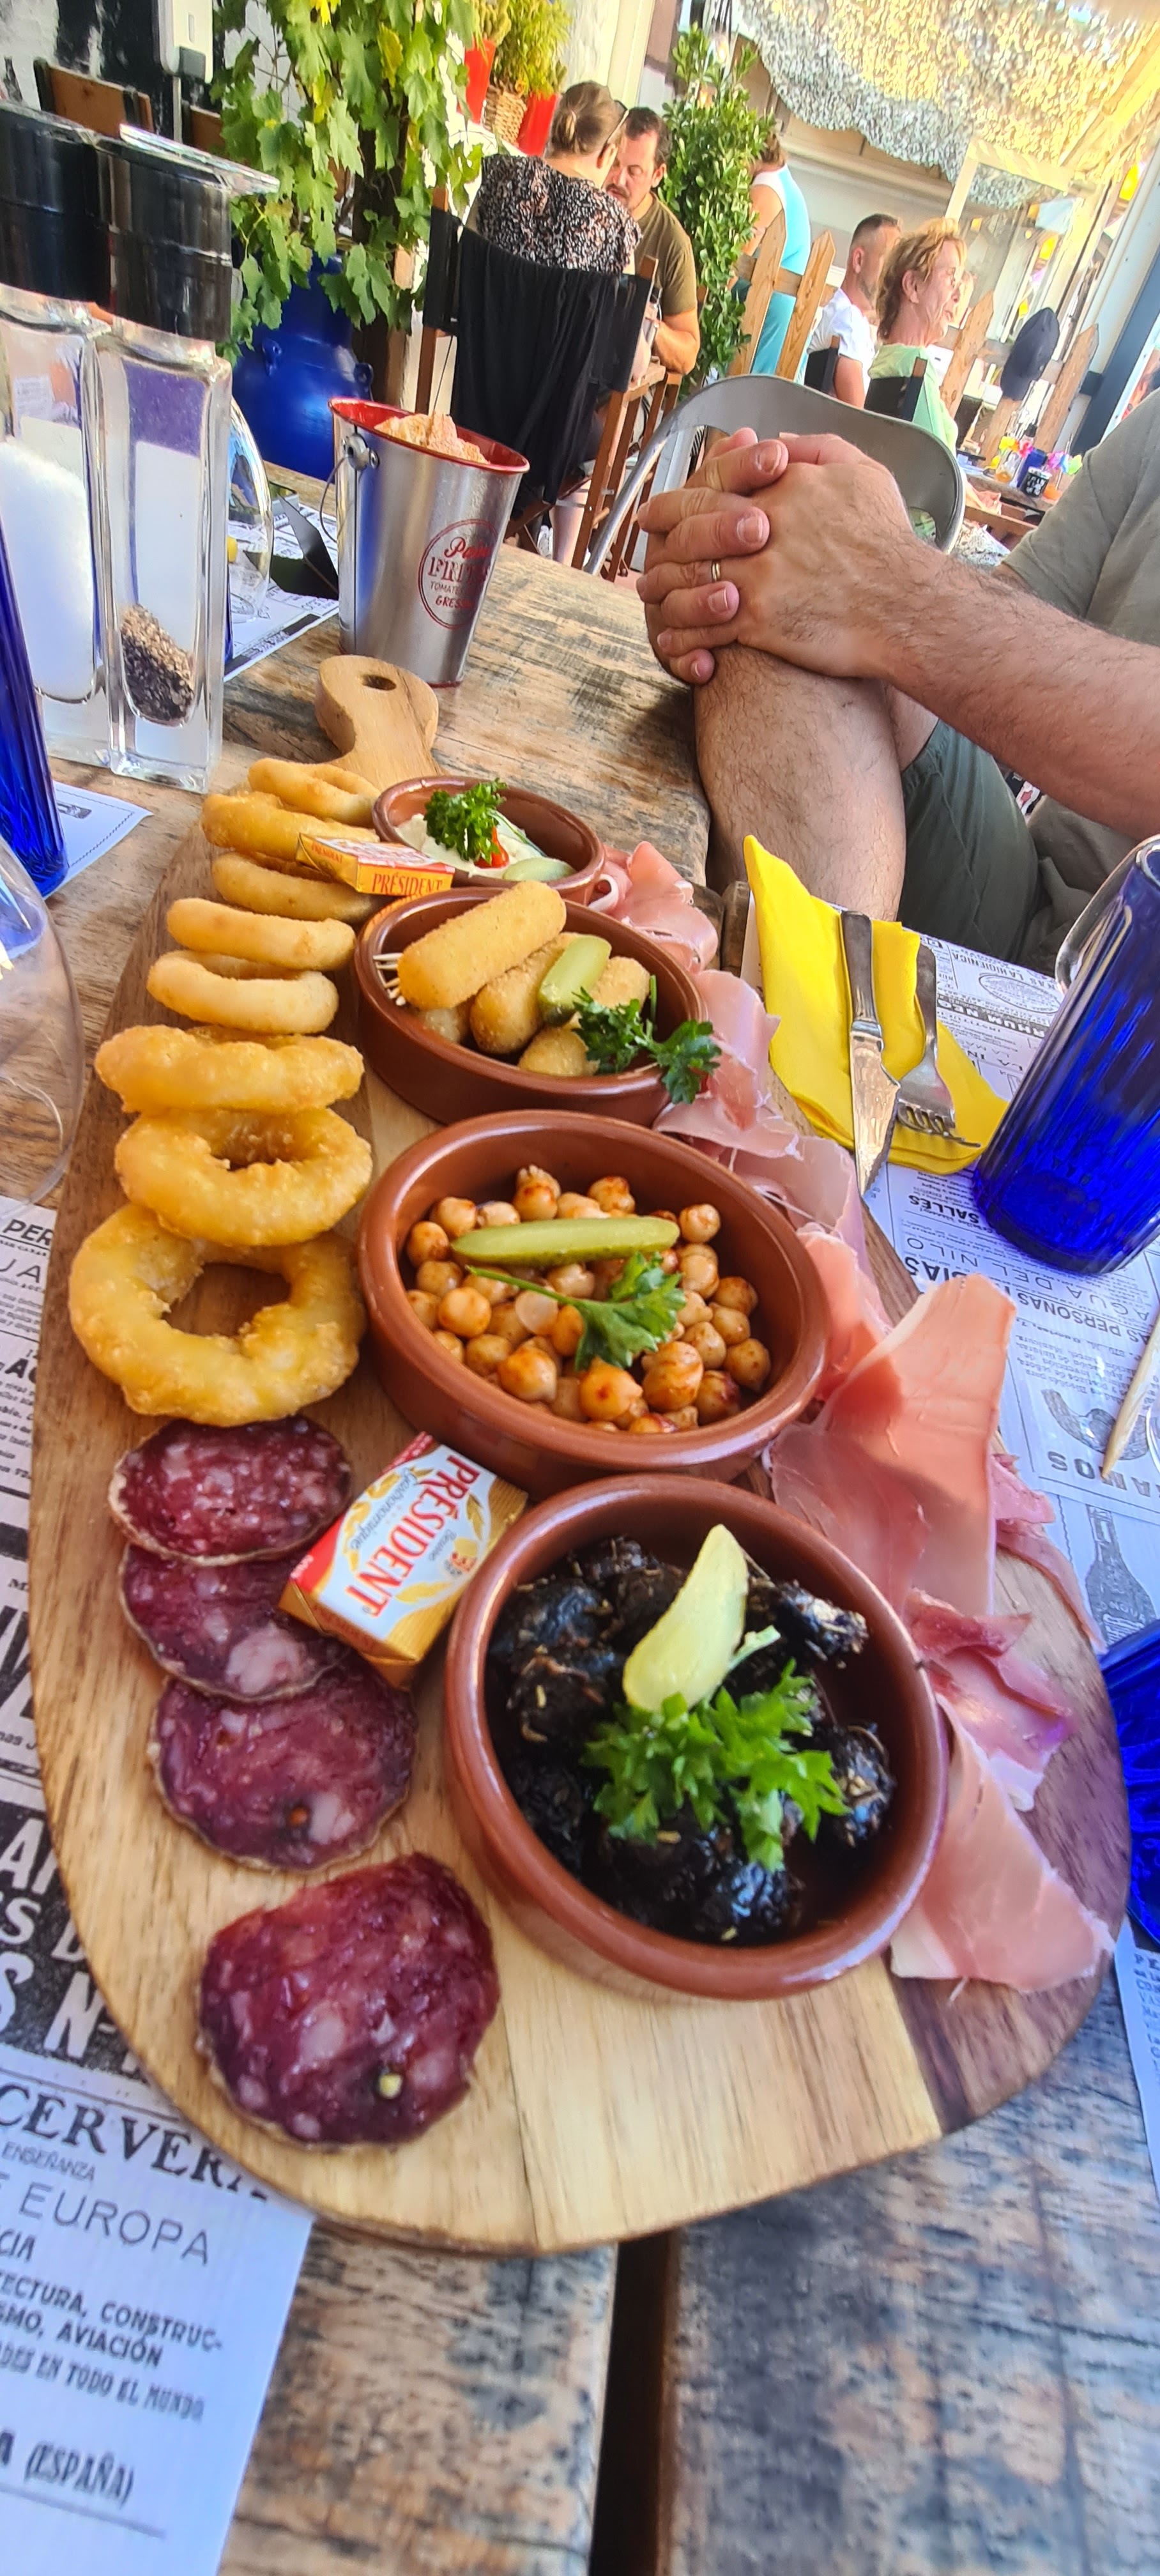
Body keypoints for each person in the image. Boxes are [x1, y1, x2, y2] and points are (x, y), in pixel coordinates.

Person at [633, 398, 1160, 972]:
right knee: (781, 580)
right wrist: (726, 571)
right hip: (1039, 901)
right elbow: (1001, 636)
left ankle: (800, 1020)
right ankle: (793, 1002)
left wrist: (895, 588)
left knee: (825, 592)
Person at [471, 83, 636, 274]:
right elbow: (624, 294)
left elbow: (463, 263)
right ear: (608, 154)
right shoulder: (615, 229)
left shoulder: (500, 174)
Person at [607, 109, 701, 381]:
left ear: (658, 175)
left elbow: (688, 354)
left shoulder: (672, 241)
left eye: (634, 172)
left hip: (629, 387)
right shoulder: (588, 205)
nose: (618, 179)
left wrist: (646, 325)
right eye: (614, 163)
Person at [867, 219, 965, 448]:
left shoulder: (890, 361)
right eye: (951, 278)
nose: (958, 295)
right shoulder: (914, 365)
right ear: (913, 286)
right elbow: (938, 467)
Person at [808, 212, 899, 406]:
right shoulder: (848, 321)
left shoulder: (850, 319)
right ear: (859, 260)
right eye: (888, 263)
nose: (893, 275)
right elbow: (860, 418)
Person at [746, 128, 811, 378]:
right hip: (771, 321)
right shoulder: (782, 181)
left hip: (767, 326)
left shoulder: (767, 188)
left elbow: (732, 263)